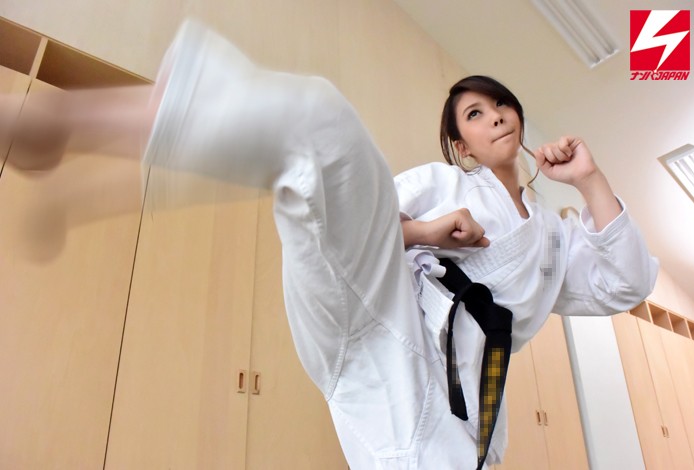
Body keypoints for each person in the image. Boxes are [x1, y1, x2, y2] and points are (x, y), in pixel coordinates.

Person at [5, 20, 657, 469]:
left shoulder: (553, 235)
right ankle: (64, 122)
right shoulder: (440, 184)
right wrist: (426, 231)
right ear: (462, 146)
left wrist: (588, 178)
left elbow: (627, 283)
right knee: (323, 120)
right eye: (475, 114)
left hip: (437, 403)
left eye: (499, 106)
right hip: (375, 308)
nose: (495, 117)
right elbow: (363, 225)